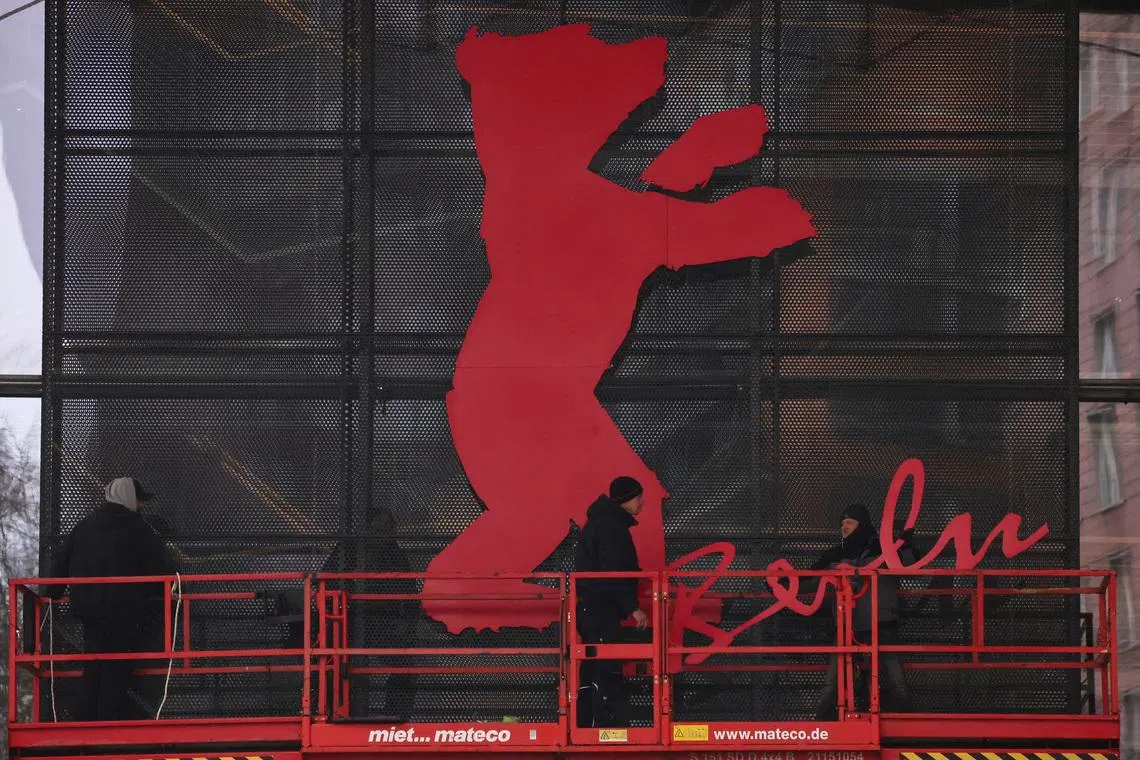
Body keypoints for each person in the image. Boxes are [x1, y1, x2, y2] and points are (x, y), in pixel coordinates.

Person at [46, 477, 176, 721]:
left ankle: (83, 720)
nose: (141, 506)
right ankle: (107, 721)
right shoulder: (136, 527)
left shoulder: (84, 527)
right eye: (139, 500)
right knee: (116, 667)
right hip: (124, 610)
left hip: (88, 610)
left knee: (94, 662)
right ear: (128, 498)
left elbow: (60, 563)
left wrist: (50, 595)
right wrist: (166, 591)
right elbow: (158, 566)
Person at [813, 503, 913, 719]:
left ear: (862, 524)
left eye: (849, 522)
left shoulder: (883, 550)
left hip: (876, 623)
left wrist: (906, 545)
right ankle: (823, 724)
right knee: (835, 682)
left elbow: (909, 567)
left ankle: (904, 722)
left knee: (894, 680)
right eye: (842, 523)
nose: (844, 527)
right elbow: (811, 578)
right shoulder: (840, 554)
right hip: (854, 625)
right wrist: (782, 582)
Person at [324, 509, 418, 721]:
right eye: (380, 527)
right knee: (344, 665)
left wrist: (404, 624)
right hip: (350, 622)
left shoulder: (396, 554)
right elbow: (326, 582)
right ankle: (343, 711)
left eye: (388, 528)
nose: (385, 533)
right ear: (368, 528)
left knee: (405, 664)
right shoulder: (347, 550)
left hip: (385, 623)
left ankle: (396, 715)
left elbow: (410, 592)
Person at [573, 476, 650, 728]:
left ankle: (587, 723)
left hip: (591, 606)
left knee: (592, 665)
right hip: (601, 608)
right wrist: (633, 608)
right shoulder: (611, 527)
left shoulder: (600, 522)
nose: (642, 502)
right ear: (625, 500)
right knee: (604, 668)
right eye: (638, 497)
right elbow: (614, 572)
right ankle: (599, 727)